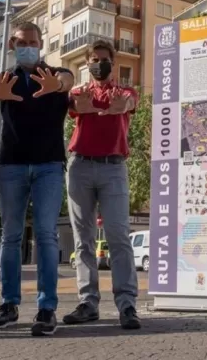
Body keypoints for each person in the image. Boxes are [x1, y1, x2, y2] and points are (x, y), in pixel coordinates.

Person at [0, 22, 73, 336]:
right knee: (10, 236)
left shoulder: (56, 72)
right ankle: (8, 305)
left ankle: (47, 308)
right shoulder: (4, 78)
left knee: (47, 235)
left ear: (41, 44)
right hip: (11, 166)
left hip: (49, 165)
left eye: (33, 42)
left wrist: (57, 86)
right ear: (12, 44)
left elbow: (67, 80)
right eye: (22, 42)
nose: (28, 46)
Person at [63, 39, 140, 330]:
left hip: (113, 167)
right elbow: (72, 103)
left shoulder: (124, 90)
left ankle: (127, 305)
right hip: (80, 166)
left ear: (113, 61)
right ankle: (88, 303)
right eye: (94, 59)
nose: (99, 63)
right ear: (87, 63)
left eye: (104, 59)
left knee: (119, 237)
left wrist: (124, 104)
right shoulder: (79, 92)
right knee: (82, 240)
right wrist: (75, 103)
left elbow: (130, 101)